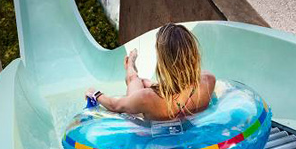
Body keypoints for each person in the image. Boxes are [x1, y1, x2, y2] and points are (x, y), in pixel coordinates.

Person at [86, 23, 216, 121]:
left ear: (163, 61)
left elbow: (115, 106)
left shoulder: (146, 98)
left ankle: (130, 66)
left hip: (153, 139)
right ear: (193, 52)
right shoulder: (209, 80)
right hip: (190, 136)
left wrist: (95, 94)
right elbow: (180, 90)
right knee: (146, 84)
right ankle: (139, 75)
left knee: (135, 80)